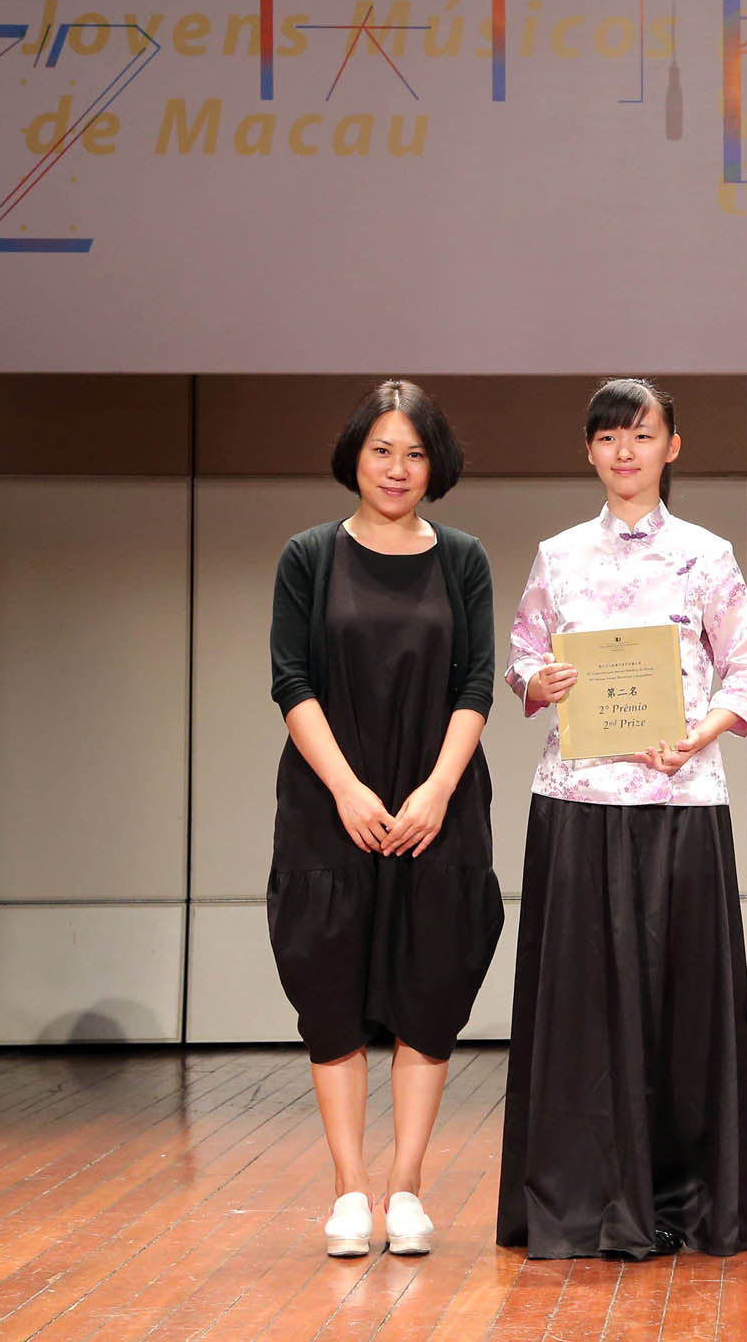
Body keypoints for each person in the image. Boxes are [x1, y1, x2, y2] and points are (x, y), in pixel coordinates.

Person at [497, 377, 747, 1260]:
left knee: (680, 1011)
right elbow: (521, 658)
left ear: (671, 448)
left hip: (680, 803)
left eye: (642, 435)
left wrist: (700, 736)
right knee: (578, 1012)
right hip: (576, 803)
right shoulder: (558, 555)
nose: (625, 452)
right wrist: (540, 680)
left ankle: (687, 1203)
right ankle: (578, 1201)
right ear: (589, 450)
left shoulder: (708, 555)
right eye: (610, 437)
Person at [265, 379, 504, 1259]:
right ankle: (348, 1190)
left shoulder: (464, 558)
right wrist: (346, 789)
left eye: (414, 454)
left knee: (429, 989)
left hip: (438, 805)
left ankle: (405, 1187)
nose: (397, 469)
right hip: (332, 803)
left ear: (436, 465)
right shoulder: (309, 555)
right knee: (329, 992)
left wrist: (437, 790)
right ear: (354, 458)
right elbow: (292, 680)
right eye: (381, 451)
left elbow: (476, 682)